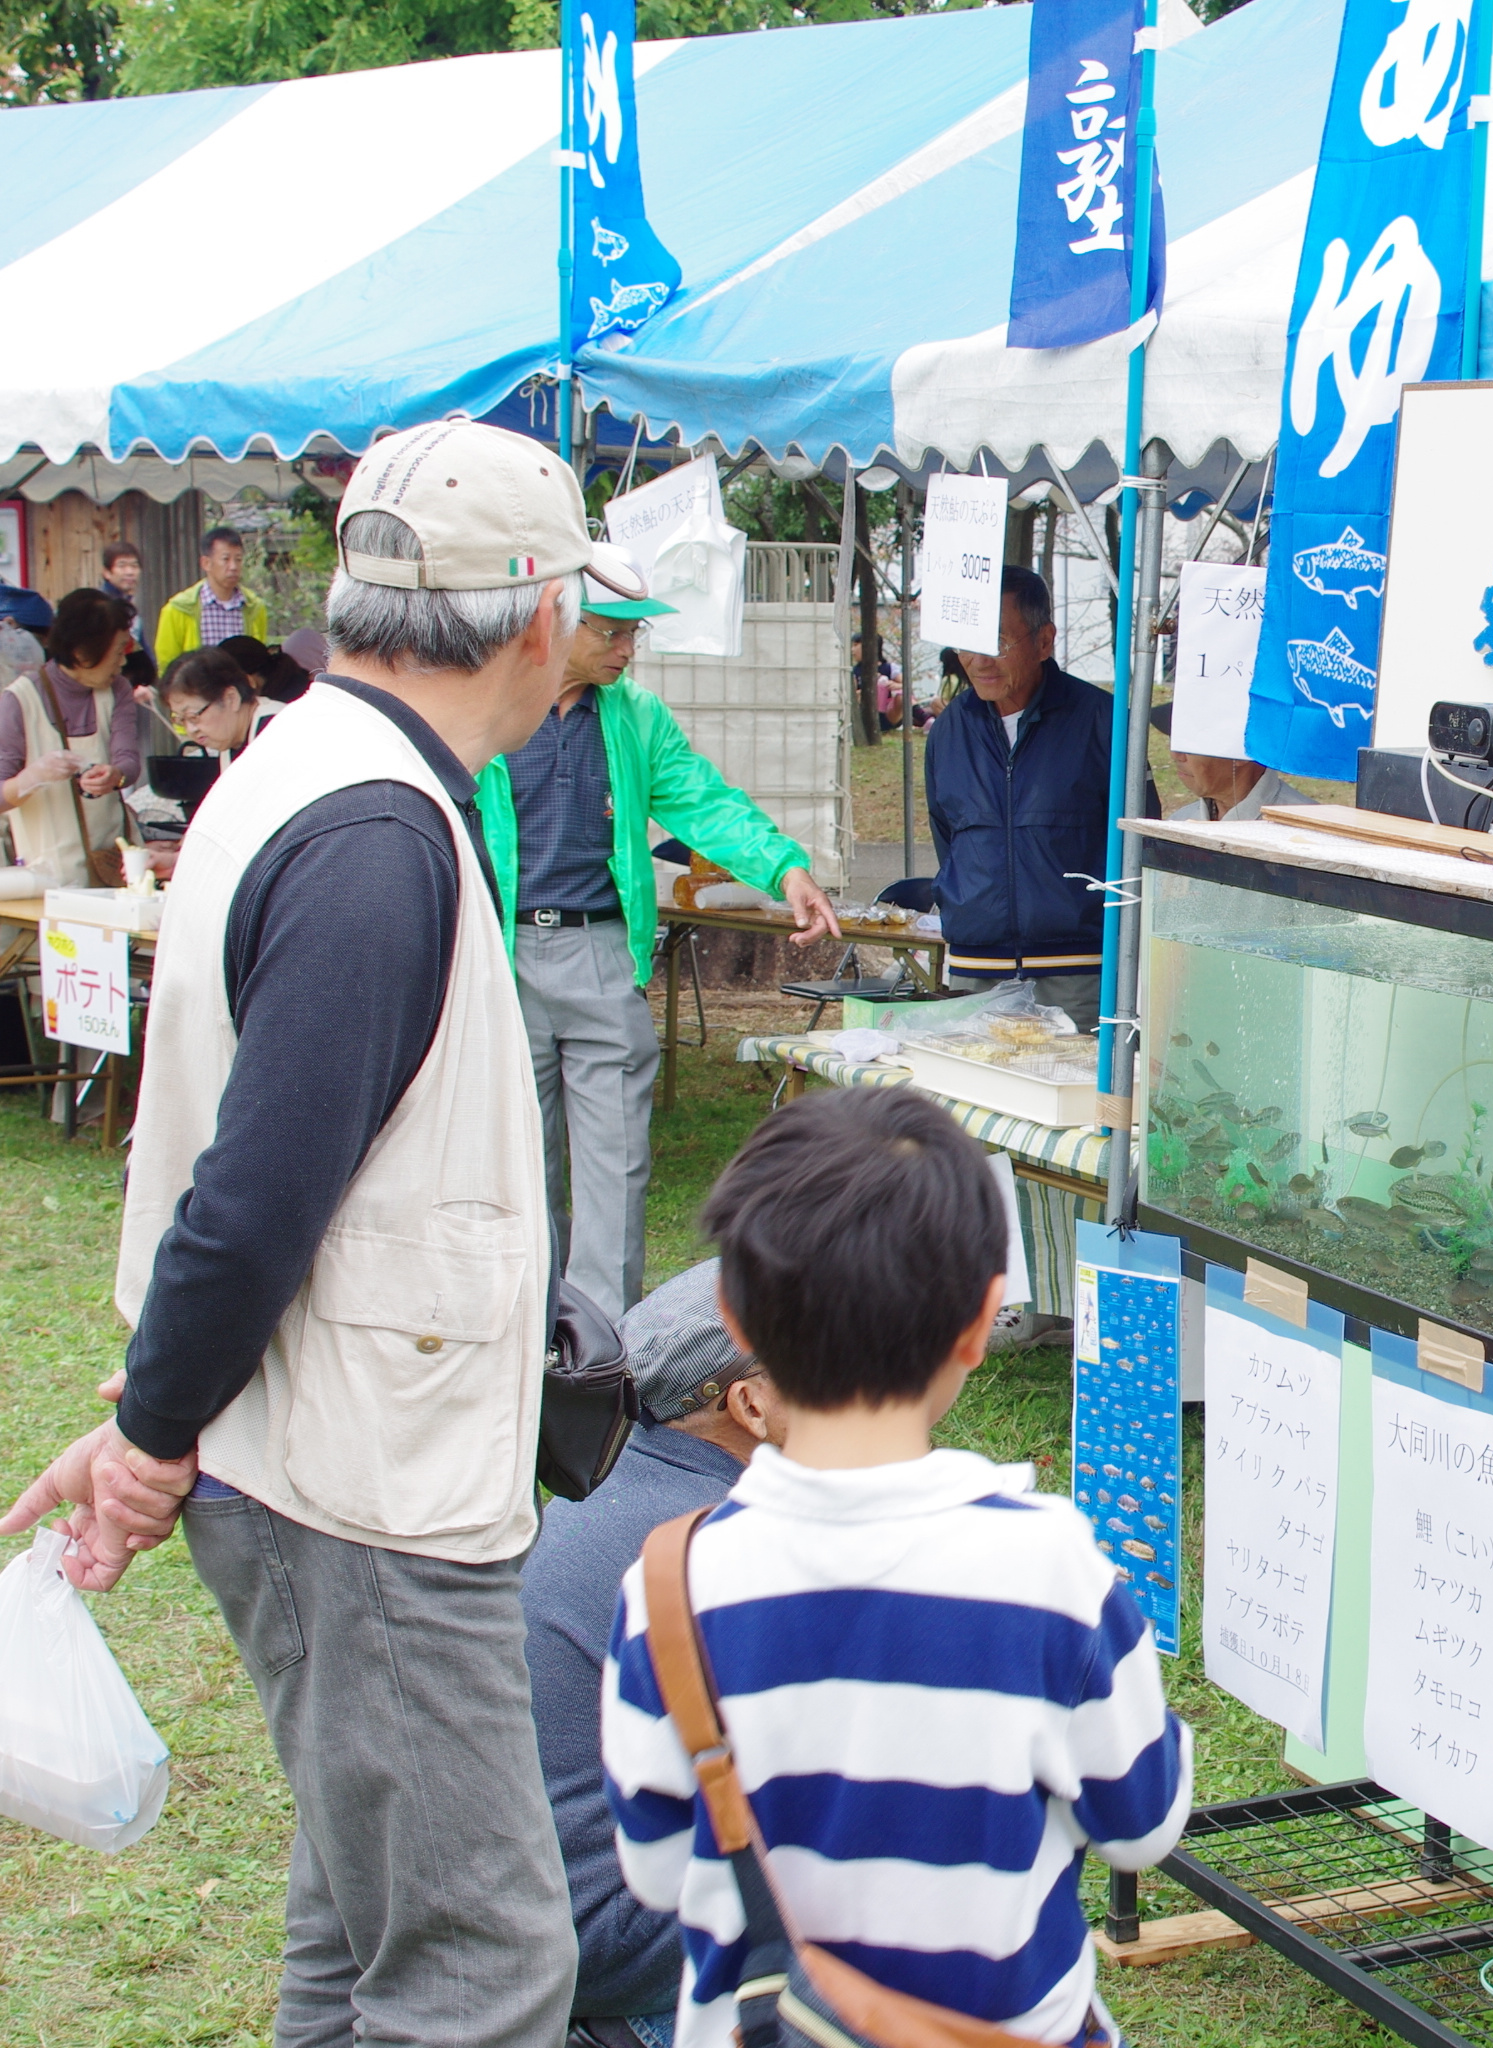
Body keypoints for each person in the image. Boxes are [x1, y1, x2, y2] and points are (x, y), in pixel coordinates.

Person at [0, 417, 640, 2046]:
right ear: (540, 616)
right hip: (365, 1493)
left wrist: (159, 1420)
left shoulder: (314, 769)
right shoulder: (373, 832)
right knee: (480, 1966)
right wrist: (151, 1435)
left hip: (328, 1456)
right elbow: (253, 1198)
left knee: (366, 1937)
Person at [603, 1086, 1190, 2047]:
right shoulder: (1048, 1567)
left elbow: (659, 1870)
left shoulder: (668, 1584)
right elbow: (1141, 1826)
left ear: (733, 1315)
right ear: (980, 1322)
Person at [475, 542, 839, 1321]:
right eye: (610, 630)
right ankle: (528, 1331)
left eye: (633, 632)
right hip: (496, 956)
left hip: (601, 952)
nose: (626, 647)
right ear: (555, 620)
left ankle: (605, 1347)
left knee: (615, 1163)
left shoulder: (635, 715)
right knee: (515, 1163)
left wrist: (784, 869)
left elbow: (704, 802)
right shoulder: (487, 705)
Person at [523, 1259, 779, 2048]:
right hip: (617, 1945)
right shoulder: (724, 1546)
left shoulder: (612, 1485)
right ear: (752, 1405)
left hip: (538, 1918)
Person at [925, 565, 1153, 1031]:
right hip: (976, 965)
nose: (980, 661)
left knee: (1073, 1078)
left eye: (998, 642)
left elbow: (1140, 841)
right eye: (968, 643)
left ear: (1045, 640)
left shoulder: (1104, 721)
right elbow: (946, 836)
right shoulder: (948, 730)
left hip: (1080, 969)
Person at [1, 588, 143, 885]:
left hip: (112, 864)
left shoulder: (117, 689)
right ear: (81, 653)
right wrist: (31, 778)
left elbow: (128, 761)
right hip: (46, 877)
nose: (123, 662)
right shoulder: (18, 700)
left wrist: (115, 775)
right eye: (118, 651)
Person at [1149, 699, 1297, 822]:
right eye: (1175, 741)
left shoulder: (1298, 828)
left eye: (1190, 744)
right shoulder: (1179, 822)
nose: (1175, 755)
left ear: (1242, 751)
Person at [150, 524, 267, 668]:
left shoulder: (254, 608)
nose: (233, 567)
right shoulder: (178, 609)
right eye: (226, 559)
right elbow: (167, 665)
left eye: (238, 559)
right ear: (206, 563)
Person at [156, 646, 275, 759]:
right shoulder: (229, 740)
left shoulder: (275, 731)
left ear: (231, 698)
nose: (190, 730)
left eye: (193, 716)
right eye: (181, 720)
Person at [101, 539, 142, 633]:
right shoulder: (100, 607)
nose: (130, 572)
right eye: (122, 566)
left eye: (134, 566)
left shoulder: (129, 602)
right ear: (107, 572)